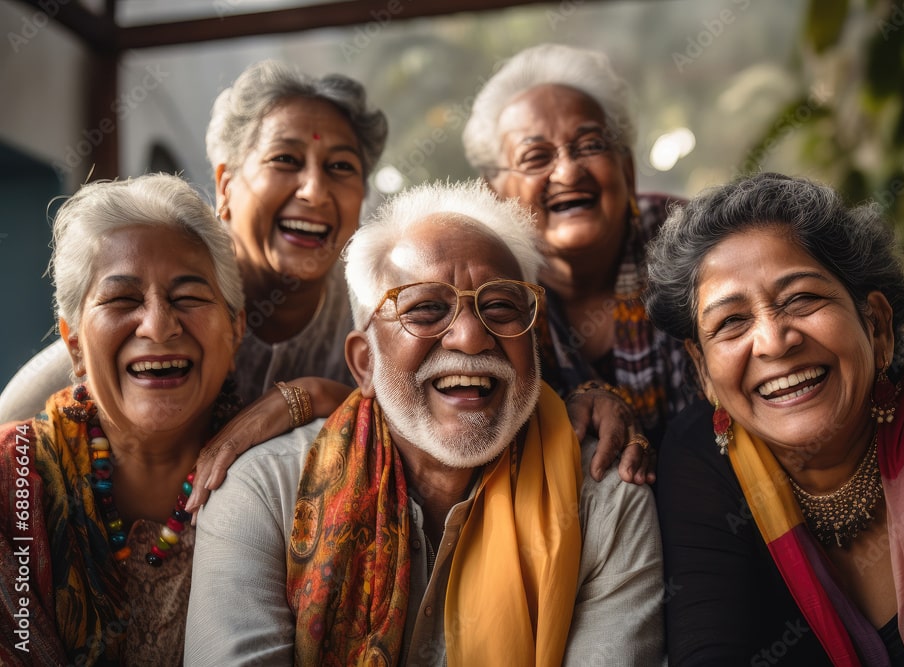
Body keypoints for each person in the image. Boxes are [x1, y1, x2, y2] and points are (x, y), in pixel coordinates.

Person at [184, 180, 665, 665]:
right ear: (364, 363)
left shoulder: (606, 498)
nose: (472, 337)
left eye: (500, 305)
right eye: (426, 309)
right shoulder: (266, 492)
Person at [644, 172, 904, 665]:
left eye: (802, 299)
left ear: (875, 325)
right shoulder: (701, 461)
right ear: (703, 369)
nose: (773, 342)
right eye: (731, 322)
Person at [0, 59, 386, 505]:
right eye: (285, 159)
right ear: (224, 185)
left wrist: (314, 396)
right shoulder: (151, 303)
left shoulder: (375, 316)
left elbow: (413, 442)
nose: (315, 191)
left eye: (340, 166)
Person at [0, 173, 246, 666]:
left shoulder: (285, 478)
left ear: (235, 332)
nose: (157, 325)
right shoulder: (8, 480)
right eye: (122, 299)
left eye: (188, 297)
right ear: (74, 345)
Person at [462, 43, 694, 482]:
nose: (567, 173)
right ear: (495, 192)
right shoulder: (481, 290)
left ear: (627, 168)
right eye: (536, 157)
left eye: (590, 145)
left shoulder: (694, 244)